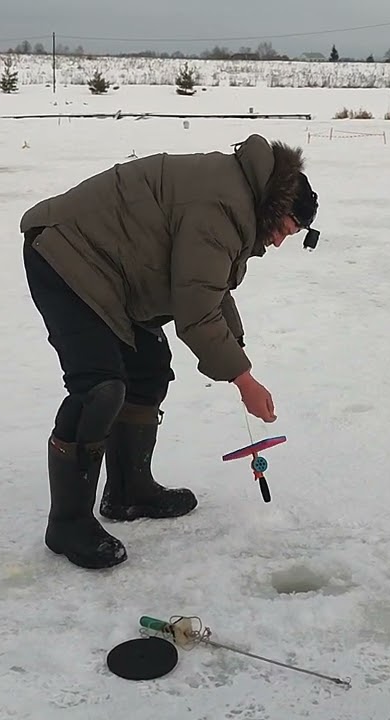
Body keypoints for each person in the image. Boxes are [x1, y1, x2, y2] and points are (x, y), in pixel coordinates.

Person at [20, 133, 319, 570]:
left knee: (148, 367)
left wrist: (235, 347)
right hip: (66, 254)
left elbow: (207, 287)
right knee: (99, 387)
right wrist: (244, 379)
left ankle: (128, 492)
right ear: (278, 209)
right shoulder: (224, 208)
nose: (278, 243)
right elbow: (195, 313)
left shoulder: (243, 197)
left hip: (115, 270)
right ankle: (67, 522)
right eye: (285, 231)